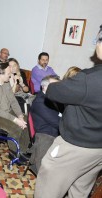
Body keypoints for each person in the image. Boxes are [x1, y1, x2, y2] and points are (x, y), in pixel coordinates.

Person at [34, 25, 102, 198]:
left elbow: (53, 91)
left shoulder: (89, 79)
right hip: (98, 149)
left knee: (47, 189)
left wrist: (52, 84)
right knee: (80, 189)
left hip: (76, 145)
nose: (96, 44)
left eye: (98, 40)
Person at [0, 62, 30, 159]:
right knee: (15, 127)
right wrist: (15, 120)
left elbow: (13, 100)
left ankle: (23, 150)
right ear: (0, 74)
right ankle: (14, 153)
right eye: (9, 73)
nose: (11, 75)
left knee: (27, 120)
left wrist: (20, 115)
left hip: (6, 111)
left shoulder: (6, 83)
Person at [29, 75, 60, 174]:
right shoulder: (40, 101)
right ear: (44, 87)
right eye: (55, 86)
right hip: (45, 134)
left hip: (53, 130)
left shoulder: (51, 98)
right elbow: (56, 122)